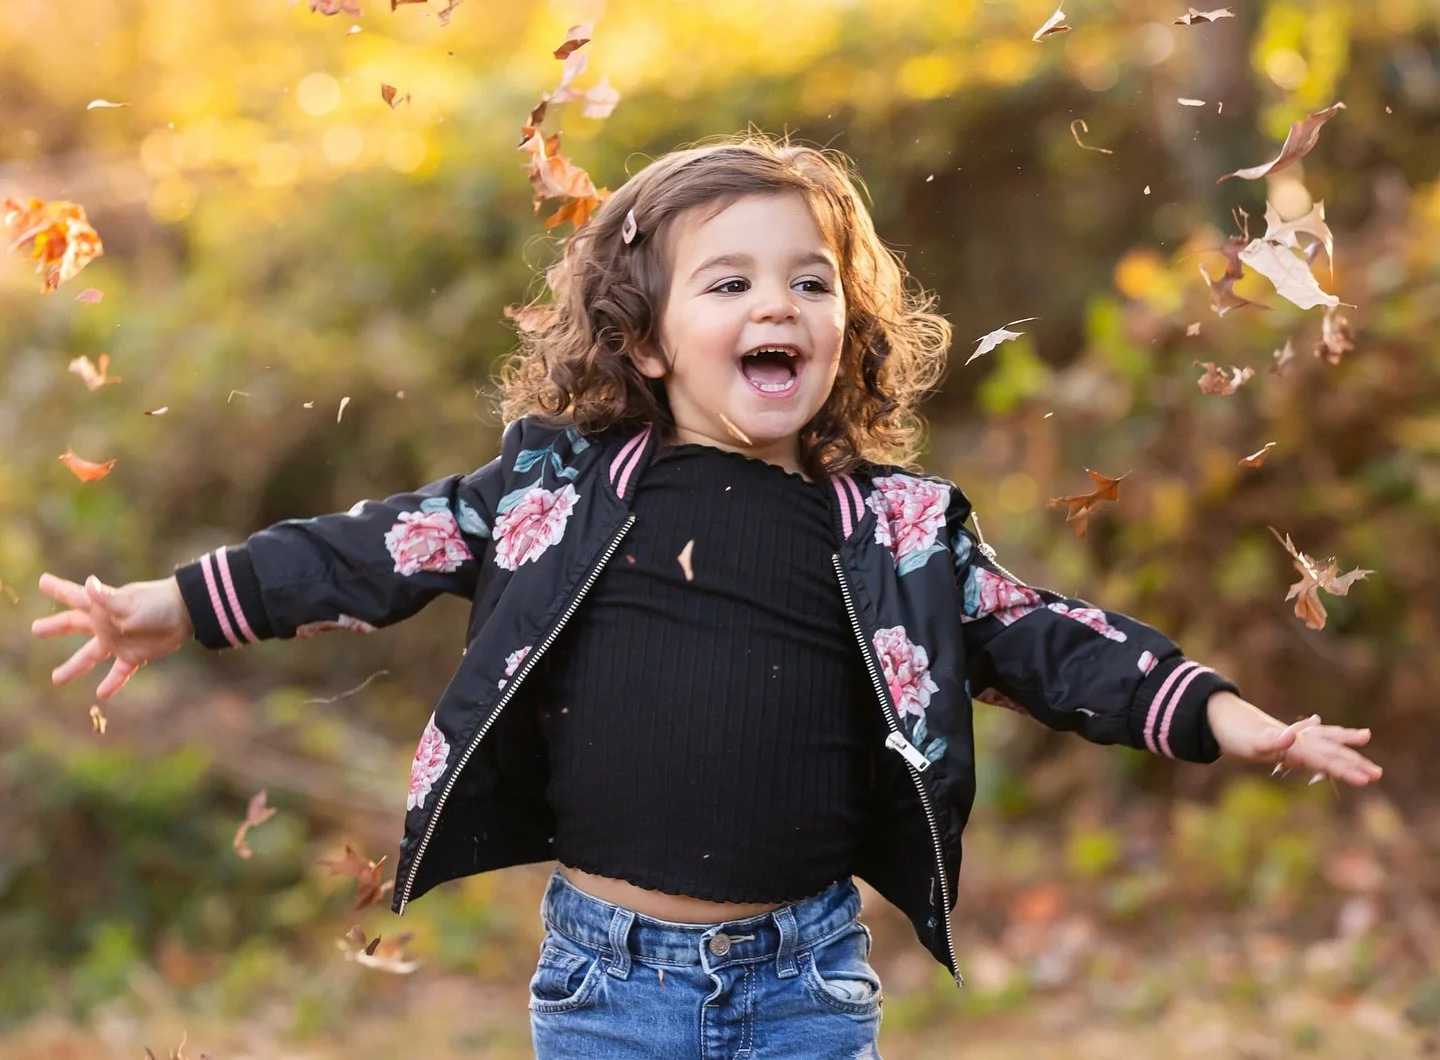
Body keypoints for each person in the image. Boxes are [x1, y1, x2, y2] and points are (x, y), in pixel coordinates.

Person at [32, 137, 1380, 1059]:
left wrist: (1217, 713)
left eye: (808, 281)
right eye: (728, 281)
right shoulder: (558, 490)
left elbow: (1048, 642)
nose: (775, 302)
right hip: (608, 978)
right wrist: (180, 601)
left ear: (845, 324)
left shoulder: (895, 527)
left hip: (806, 977)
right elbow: (373, 547)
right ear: (644, 337)